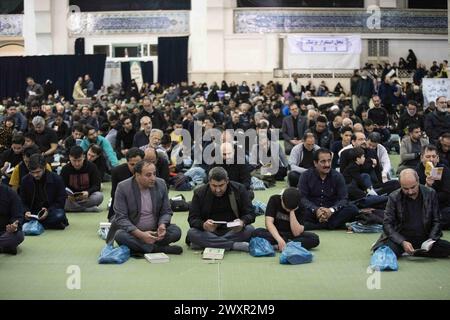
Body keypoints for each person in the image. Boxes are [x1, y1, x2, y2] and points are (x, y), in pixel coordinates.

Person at [106, 160, 183, 255]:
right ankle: (158, 249)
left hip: (155, 230)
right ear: (137, 175)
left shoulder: (161, 184)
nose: (153, 178)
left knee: (176, 231)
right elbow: (121, 217)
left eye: (154, 174)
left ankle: (143, 247)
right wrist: (141, 235)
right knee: (120, 235)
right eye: (148, 175)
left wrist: (162, 225)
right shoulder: (123, 187)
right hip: (134, 232)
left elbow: (166, 211)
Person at [371, 169, 450, 258]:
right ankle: (415, 251)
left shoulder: (430, 193)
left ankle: (417, 251)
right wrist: (402, 242)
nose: (410, 192)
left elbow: (437, 221)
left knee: (446, 248)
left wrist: (431, 240)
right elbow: (387, 224)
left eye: (413, 187)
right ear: (400, 185)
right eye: (405, 188)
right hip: (401, 238)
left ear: (418, 181)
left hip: (425, 238)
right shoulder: (394, 196)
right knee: (384, 253)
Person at [186, 167, 256, 252]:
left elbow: (251, 214)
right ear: (209, 182)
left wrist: (242, 222)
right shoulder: (199, 193)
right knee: (192, 233)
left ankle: (206, 243)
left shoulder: (239, 189)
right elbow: (192, 219)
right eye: (214, 186)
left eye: (221, 185)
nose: (218, 190)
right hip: (210, 231)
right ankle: (233, 245)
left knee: (250, 229)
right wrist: (203, 225)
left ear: (227, 181)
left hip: (233, 230)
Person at [299, 149, 359, 230]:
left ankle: (317, 226)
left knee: (353, 209)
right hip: (312, 211)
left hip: (332, 212)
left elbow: (344, 199)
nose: (327, 164)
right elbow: (302, 198)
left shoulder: (338, 176)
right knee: (297, 209)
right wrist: (316, 210)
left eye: (329, 161)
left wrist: (331, 210)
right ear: (315, 163)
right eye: (323, 161)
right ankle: (331, 225)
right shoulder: (305, 176)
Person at [252, 187, 320, 251]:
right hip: (276, 233)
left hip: (292, 235)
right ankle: (287, 244)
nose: (287, 210)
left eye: (290, 209)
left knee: (314, 238)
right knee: (256, 232)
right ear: (281, 198)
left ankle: (281, 245)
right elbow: (269, 223)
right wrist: (279, 239)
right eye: (286, 208)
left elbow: (296, 233)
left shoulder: (301, 206)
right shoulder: (274, 199)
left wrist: (292, 211)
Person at [20, 154, 68, 230]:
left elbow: (61, 201)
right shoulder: (25, 180)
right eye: (32, 172)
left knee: (59, 215)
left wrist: (48, 211)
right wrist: (26, 211)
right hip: (32, 212)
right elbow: (22, 201)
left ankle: (35, 223)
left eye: (38, 172)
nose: (35, 175)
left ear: (44, 168)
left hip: (50, 211)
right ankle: (48, 224)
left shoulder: (56, 179)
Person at [416, 145, 450, 229]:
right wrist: (427, 186)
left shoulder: (444, 169)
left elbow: (447, 193)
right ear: (422, 158)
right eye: (428, 156)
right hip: (424, 207)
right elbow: (416, 196)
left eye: (434, 156)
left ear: (437, 158)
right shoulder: (417, 172)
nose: (431, 159)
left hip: (442, 205)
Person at [60, 146, 103, 212]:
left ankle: (75, 208)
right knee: (61, 201)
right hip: (71, 198)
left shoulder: (92, 167)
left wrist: (88, 192)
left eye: (79, 160)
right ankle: (86, 209)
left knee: (99, 196)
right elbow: (61, 187)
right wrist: (68, 196)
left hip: (86, 197)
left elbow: (97, 185)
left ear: (83, 157)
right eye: (74, 161)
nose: (77, 164)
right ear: (69, 158)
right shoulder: (65, 169)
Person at [108, 148, 145, 220]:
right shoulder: (117, 171)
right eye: (132, 164)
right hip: (121, 209)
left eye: (138, 164)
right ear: (127, 162)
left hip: (144, 209)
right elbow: (114, 194)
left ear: (143, 162)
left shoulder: (149, 172)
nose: (135, 167)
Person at [0, 184, 24, 255]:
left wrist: (14, 226)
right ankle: (4, 247)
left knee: (18, 235)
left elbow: (17, 216)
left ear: (0, 180)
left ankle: (4, 247)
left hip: (4, 232)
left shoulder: (11, 194)